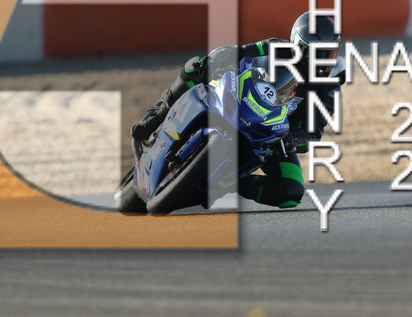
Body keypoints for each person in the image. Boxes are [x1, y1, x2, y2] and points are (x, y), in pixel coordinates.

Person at [131, 12, 345, 208]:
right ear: (300, 45)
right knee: (194, 66)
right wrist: (216, 60)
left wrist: (293, 140)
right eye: (320, 53)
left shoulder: (330, 87)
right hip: (238, 101)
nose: (326, 61)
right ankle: (157, 116)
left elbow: (314, 131)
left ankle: (231, 183)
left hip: (273, 136)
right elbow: (238, 52)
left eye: (331, 53)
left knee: (290, 191)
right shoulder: (274, 47)